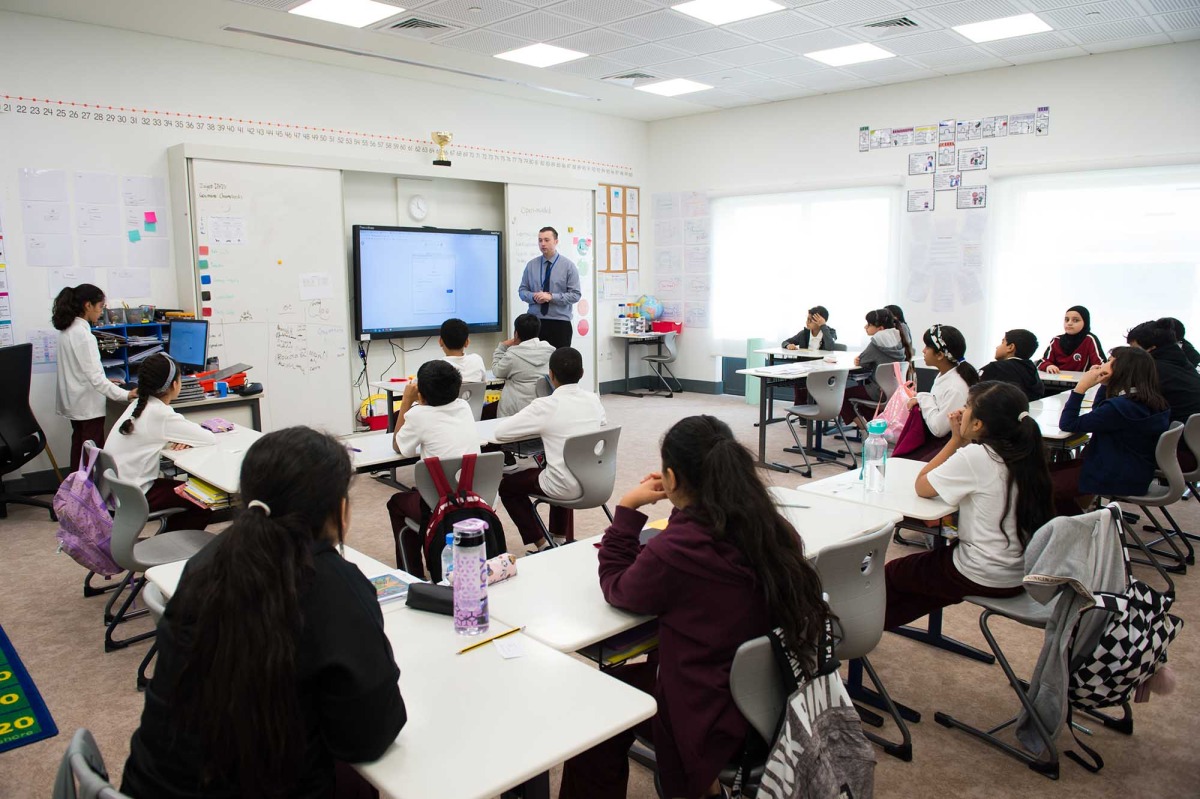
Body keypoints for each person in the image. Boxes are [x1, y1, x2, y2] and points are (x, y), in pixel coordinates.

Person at [121, 427, 406, 799]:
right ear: (339, 508)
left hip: (147, 786)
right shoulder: (333, 585)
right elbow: (368, 738)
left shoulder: (207, 561)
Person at [559, 415, 832, 799]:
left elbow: (618, 587)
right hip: (775, 696)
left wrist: (627, 508)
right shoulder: (772, 528)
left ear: (670, 478)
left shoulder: (677, 552)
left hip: (712, 716)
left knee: (597, 704)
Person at [885, 382, 1053, 630]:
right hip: (1019, 572)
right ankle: (876, 624)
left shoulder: (978, 456)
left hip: (982, 572)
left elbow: (922, 485)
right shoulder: (1026, 453)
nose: (960, 411)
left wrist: (955, 441)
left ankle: (859, 631)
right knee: (923, 582)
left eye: (966, 406)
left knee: (893, 573)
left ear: (977, 425)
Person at [495, 347, 604, 549]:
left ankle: (542, 544)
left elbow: (500, 433)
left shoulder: (545, 405)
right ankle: (559, 538)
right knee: (559, 465)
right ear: (582, 373)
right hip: (598, 481)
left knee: (507, 486)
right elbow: (602, 423)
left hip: (564, 486)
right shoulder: (594, 400)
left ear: (550, 374)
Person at [103, 354, 217, 532]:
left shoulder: (138, 406)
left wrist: (178, 439)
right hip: (136, 494)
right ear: (174, 384)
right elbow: (209, 438)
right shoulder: (159, 413)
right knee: (202, 502)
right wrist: (183, 439)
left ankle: (169, 541)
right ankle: (174, 550)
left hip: (117, 492)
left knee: (187, 496)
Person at [386, 360, 481, 574]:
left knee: (397, 503)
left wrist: (406, 402)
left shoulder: (418, 415)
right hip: (476, 498)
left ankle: (412, 573)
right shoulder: (464, 407)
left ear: (421, 394)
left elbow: (399, 446)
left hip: (440, 506)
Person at [1051, 348, 1170, 516]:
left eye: (1109, 361)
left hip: (1112, 474)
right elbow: (1099, 413)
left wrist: (1081, 387)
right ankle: (1078, 519)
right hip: (1135, 471)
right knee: (1047, 473)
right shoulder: (1152, 401)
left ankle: (1079, 527)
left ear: (1122, 370)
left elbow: (1069, 423)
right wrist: (1103, 384)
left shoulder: (1119, 408)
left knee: (1039, 484)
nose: (1102, 364)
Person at [52, 284, 135, 469]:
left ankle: (76, 493)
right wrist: (126, 395)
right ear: (88, 305)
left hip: (76, 403)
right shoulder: (83, 335)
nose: (101, 312)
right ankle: (89, 496)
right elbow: (96, 379)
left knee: (80, 451)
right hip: (87, 406)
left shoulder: (67, 330)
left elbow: (81, 370)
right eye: (100, 307)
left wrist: (106, 380)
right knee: (92, 457)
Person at [839, 307, 912, 425]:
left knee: (841, 394)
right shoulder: (900, 338)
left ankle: (864, 427)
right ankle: (877, 426)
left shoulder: (878, 341)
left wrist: (859, 360)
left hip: (878, 392)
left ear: (880, 328)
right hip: (895, 390)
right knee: (861, 403)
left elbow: (862, 361)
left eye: (869, 324)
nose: (865, 327)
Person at [909, 324, 981, 440]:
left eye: (927, 347)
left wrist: (923, 398)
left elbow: (938, 429)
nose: (923, 350)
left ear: (940, 355)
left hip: (947, 444)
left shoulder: (955, 386)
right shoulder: (946, 374)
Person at [517, 226, 581, 349]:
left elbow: (575, 295)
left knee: (559, 364)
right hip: (535, 323)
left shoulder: (568, 266)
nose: (543, 244)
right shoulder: (531, 265)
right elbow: (522, 291)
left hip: (560, 324)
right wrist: (534, 297)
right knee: (535, 363)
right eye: (540, 240)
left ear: (556, 242)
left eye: (547, 240)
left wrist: (551, 297)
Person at [488, 313, 555, 420]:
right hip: (542, 411)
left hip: (515, 413)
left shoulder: (513, 355)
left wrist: (502, 347)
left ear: (516, 334)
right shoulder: (550, 352)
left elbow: (497, 370)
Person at [781, 305, 836, 406]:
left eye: (811, 320)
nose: (807, 322)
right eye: (807, 319)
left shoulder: (830, 332)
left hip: (822, 370)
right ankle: (802, 415)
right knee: (800, 384)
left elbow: (830, 347)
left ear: (820, 321)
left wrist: (823, 326)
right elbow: (785, 342)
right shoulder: (804, 334)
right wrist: (788, 345)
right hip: (804, 369)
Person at [1038, 305, 1106, 375]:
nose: (1069, 323)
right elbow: (1041, 362)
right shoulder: (1056, 340)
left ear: (1085, 322)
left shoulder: (1089, 339)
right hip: (1056, 381)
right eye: (1067, 320)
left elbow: (1102, 364)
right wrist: (1048, 366)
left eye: (1075, 320)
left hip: (1082, 382)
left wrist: (1096, 368)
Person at [979, 329, 1044, 402]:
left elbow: (974, 392)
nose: (997, 347)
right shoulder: (1032, 370)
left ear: (1010, 347)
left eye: (1002, 342)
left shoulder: (994, 368)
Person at [438, 318, 486, 383]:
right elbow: (484, 384)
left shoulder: (436, 368)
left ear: (440, 341)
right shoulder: (477, 360)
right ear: (467, 342)